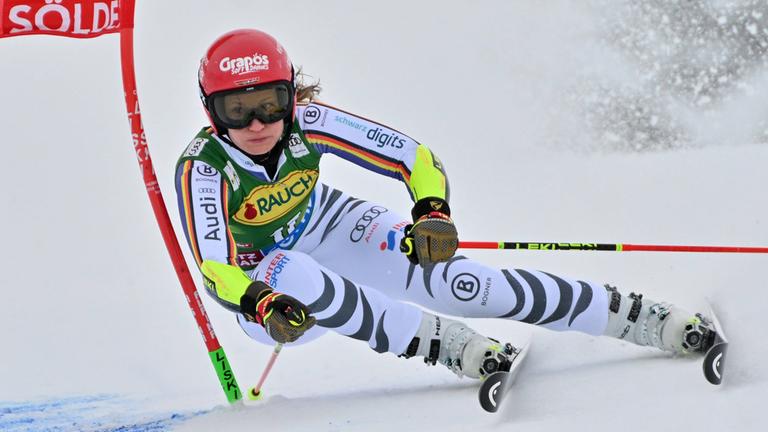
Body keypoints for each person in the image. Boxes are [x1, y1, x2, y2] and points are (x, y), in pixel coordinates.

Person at [174, 29, 715, 380]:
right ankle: (448, 346)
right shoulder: (205, 167)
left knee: (462, 282)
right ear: (210, 112)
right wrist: (262, 302)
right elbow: (214, 266)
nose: (256, 125)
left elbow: (414, 157)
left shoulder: (309, 124)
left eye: (269, 104)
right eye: (235, 110)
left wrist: (431, 211)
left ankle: (641, 317)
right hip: (267, 292)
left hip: (327, 223)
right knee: (299, 274)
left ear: (291, 95)